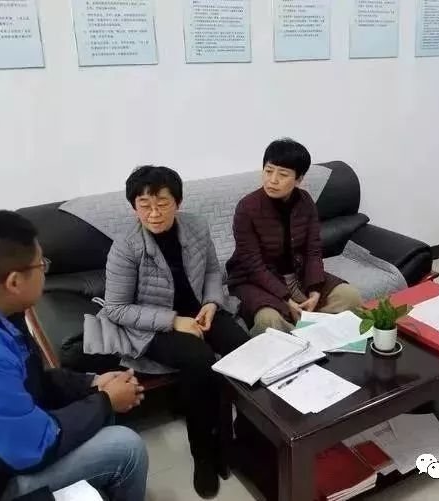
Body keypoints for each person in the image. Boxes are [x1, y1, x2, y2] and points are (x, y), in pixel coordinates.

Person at [0, 211, 148, 501]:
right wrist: (105, 401)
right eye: (42, 265)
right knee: (126, 448)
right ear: (14, 282)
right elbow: (32, 450)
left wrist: (91, 383)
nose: (45, 272)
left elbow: (27, 379)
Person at [92, 166, 249, 499]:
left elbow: (212, 270)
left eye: (162, 203)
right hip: (150, 326)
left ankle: (236, 438)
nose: (153, 213)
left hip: (200, 312)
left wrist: (211, 302)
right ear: (134, 207)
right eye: (144, 205)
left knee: (243, 347)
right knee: (199, 360)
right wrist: (174, 321)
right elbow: (116, 309)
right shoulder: (125, 247)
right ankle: (203, 454)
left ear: (177, 202)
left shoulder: (196, 226)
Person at [226, 138, 362, 335]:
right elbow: (253, 265)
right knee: (269, 320)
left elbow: (313, 250)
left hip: (298, 274)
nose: (272, 180)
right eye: (268, 171)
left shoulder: (305, 202)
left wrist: (315, 289)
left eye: (282, 174)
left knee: (350, 297)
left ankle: (313, 334)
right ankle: (307, 336)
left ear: (298, 179)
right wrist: (286, 299)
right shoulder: (247, 208)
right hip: (253, 280)